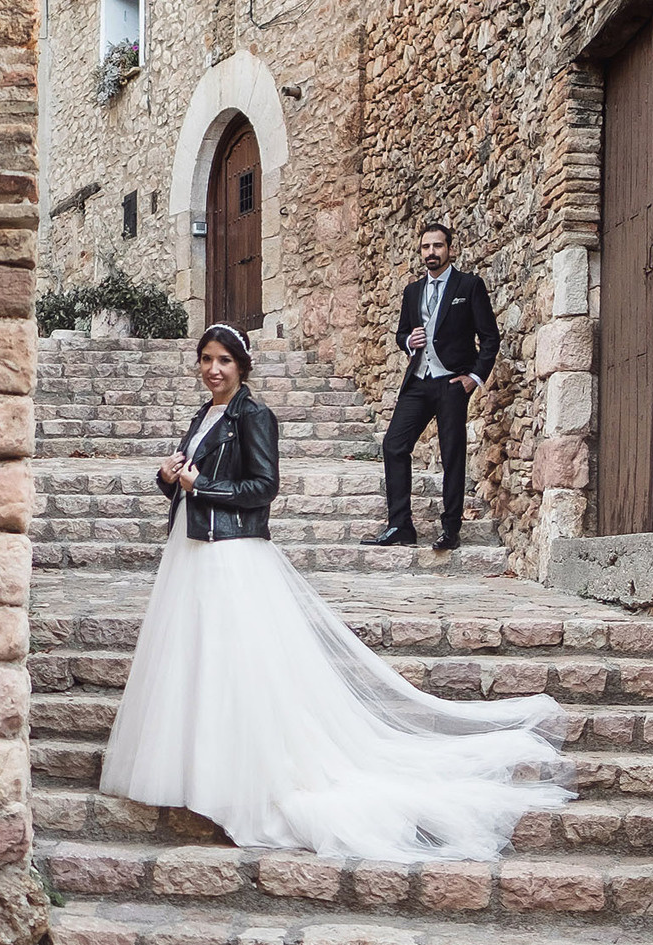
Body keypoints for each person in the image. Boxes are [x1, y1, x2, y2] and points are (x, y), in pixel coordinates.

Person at [97, 323, 570, 863]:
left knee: (238, 667)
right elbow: (187, 482)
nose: (213, 369)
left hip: (230, 556)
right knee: (195, 662)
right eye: (206, 359)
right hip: (191, 551)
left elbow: (263, 488)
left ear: (241, 366)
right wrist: (170, 476)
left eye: (224, 360)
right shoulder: (203, 416)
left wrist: (200, 484)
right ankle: (195, 772)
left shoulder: (255, 415)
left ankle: (244, 780)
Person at [368, 217, 498, 550]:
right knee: (394, 445)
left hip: (452, 382)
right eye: (426, 247)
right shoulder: (413, 291)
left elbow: (490, 337)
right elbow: (402, 333)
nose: (431, 252)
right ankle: (400, 526)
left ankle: (450, 529)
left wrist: (474, 378)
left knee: (452, 453)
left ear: (450, 250)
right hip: (419, 380)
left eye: (437, 245)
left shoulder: (469, 286)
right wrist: (407, 341)